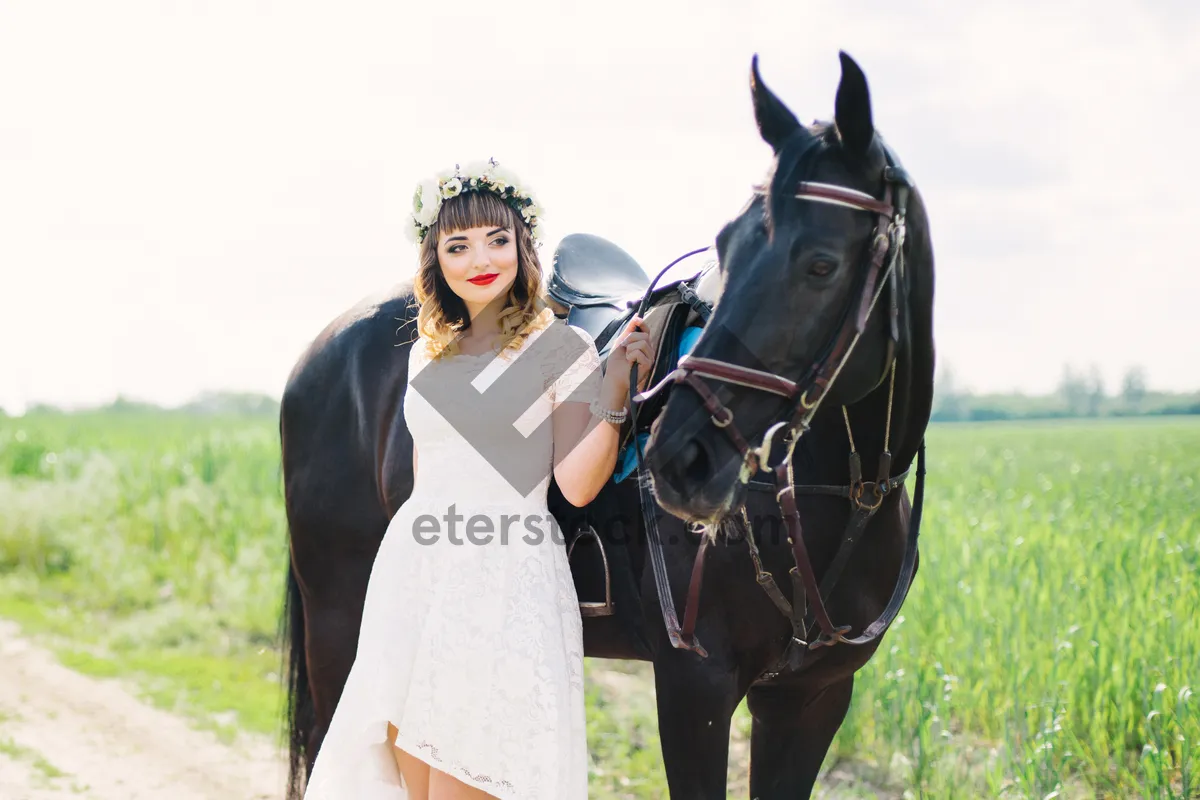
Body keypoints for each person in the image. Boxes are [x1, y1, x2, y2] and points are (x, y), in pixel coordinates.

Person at [302, 159, 654, 800]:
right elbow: (427, 477)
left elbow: (575, 486)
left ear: (524, 244)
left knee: (471, 781)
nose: (480, 259)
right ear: (435, 260)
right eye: (457, 246)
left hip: (502, 584)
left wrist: (614, 397)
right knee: (410, 785)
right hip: (416, 580)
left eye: (497, 239)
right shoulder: (424, 353)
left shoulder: (561, 349)